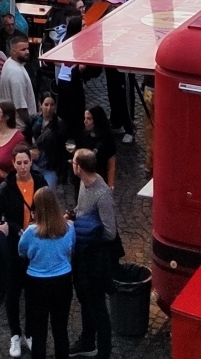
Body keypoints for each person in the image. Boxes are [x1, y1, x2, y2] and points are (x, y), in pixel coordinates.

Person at [69, 148, 117, 359]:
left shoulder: (102, 194)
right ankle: (87, 340)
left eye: (73, 162)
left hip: (95, 259)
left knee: (97, 306)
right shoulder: (83, 183)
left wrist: (87, 231)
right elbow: (81, 209)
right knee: (83, 298)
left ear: (79, 167)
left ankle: (104, 351)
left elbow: (110, 232)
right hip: (81, 255)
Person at [18, 186, 75, 359]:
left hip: (36, 284)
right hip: (63, 281)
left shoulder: (31, 232)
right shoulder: (69, 227)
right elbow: (71, 248)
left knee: (39, 331)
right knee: (60, 329)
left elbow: (22, 251)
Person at [0, 146, 41, 352]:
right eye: (19, 163)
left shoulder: (40, 182)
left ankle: (30, 332)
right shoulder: (6, 188)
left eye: (26, 162)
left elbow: (49, 206)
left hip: (36, 246)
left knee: (33, 293)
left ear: (31, 162)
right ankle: (15, 334)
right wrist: (13, 228)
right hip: (15, 247)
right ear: (13, 164)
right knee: (13, 292)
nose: (23, 167)